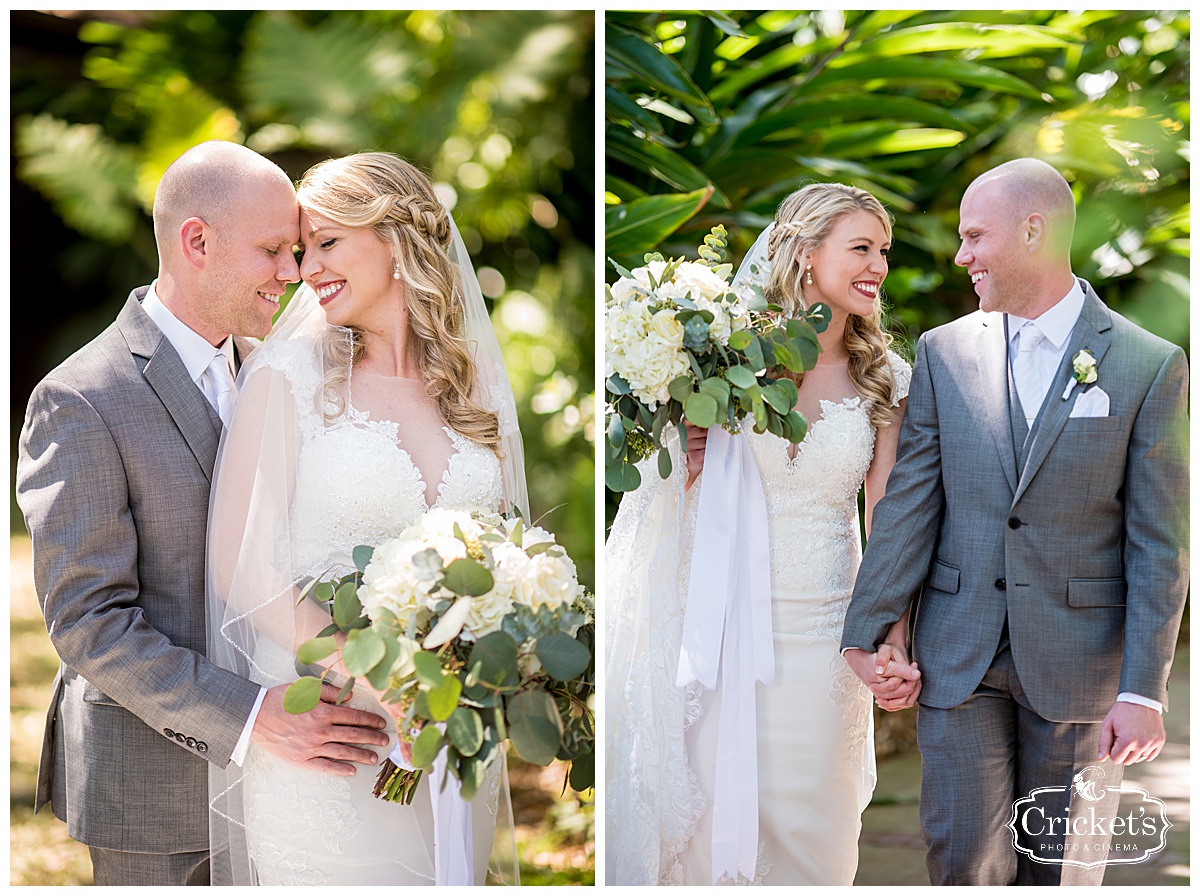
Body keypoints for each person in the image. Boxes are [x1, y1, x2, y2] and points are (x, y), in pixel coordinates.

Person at [15, 141, 392, 886]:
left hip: (297, 788)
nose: (294, 273)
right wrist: (255, 718)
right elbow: (90, 621)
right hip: (160, 792)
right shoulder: (81, 398)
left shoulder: (279, 368)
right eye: (272, 250)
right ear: (197, 242)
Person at [841, 158, 1189, 885]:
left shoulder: (1148, 364)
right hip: (957, 656)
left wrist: (1141, 690)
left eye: (975, 236)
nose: (962, 255)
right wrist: (870, 631)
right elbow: (909, 502)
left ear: (1033, 231)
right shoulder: (944, 352)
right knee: (962, 861)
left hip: (1081, 670)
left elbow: (1158, 542)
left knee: (1061, 870)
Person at [205, 151, 528, 885]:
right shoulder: (286, 381)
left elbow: (506, 550)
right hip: (331, 730)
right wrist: (379, 679)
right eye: (297, 249)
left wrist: (483, 667)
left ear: (393, 237)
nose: (304, 269)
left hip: (452, 728)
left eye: (326, 243)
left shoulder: (468, 383)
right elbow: (240, 566)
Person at [605, 183, 920, 885]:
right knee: (704, 830)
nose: (879, 266)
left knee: (819, 839)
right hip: (715, 630)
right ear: (806, 256)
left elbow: (891, 520)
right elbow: (669, 496)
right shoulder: (718, 361)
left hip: (826, 638)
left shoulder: (886, 381)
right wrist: (681, 466)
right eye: (862, 248)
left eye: (885, 252)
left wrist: (891, 638)